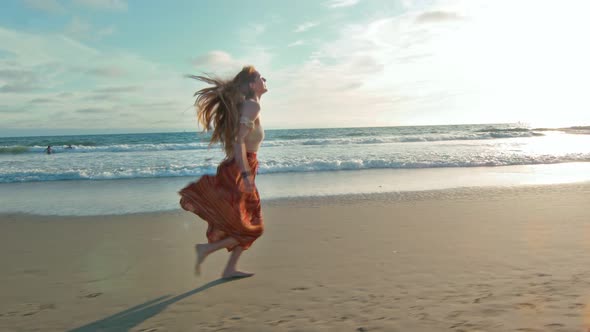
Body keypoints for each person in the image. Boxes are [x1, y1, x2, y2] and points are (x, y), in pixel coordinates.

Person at [178, 65, 267, 279]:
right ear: (253, 85)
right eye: (261, 77)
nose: (265, 80)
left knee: (247, 219)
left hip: (243, 166)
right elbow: (238, 140)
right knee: (253, 224)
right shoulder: (252, 106)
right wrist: (245, 174)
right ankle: (207, 250)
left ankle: (229, 268)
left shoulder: (250, 105)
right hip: (240, 168)